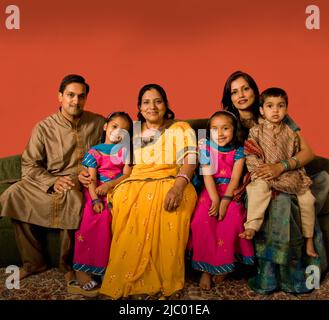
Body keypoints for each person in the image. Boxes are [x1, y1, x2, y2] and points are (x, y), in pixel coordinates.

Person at [222, 70, 329, 294]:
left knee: (291, 199)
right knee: (278, 201)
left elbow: (307, 152)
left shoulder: (274, 111)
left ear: (255, 91)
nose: (240, 95)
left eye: (245, 88)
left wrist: (281, 167)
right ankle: (269, 276)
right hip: (255, 179)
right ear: (229, 98)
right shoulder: (229, 124)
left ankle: (293, 276)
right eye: (234, 91)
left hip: (286, 174)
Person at [92, 83, 198, 300]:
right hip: (135, 182)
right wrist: (96, 178)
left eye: (158, 101)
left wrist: (178, 187)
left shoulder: (181, 128)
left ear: (166, 105)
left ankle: (163, 280)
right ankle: (128, 279)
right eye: (146, 102)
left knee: (170, 203)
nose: (152, 106)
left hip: (173, 180)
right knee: (126, 199)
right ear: (139, 108)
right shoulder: (134, 133)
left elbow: (191, 160)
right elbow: (125, 168)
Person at [0, 74, 105, 281]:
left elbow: (116, 144)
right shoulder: (43, 128)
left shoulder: (98, 123)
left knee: (73, 198)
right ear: (60, 97)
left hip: (81, 181)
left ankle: (67, 266)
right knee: (15, 194)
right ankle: (34, 263)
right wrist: (52, 181)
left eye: (81, 96)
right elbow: (29, 165)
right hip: (49, 181)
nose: (75, 101)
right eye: (70, 95)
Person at [240, 87, 317, 258]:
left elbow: (302, 154)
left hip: (289, 174)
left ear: (286, 109)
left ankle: (309, 239)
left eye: (280, 106)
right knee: (257, 189)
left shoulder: (292, 133)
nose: (275, 110)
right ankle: (251, 226)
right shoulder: (256, 131)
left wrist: (284, 168)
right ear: (261, 110)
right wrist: (260, 170)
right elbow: (250, 153)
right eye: (270, 106)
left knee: (308, 199)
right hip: (265, 173)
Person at [68, 112, 133, 297]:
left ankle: (107, 270)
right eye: (114, 126)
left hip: (117, 190)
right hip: (95, 192)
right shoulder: (94, 151)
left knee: (119, 217)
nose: (117, 133)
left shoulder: (123, 152)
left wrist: (110, 185)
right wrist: (96, 198)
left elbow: (127, 174)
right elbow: (91, 179)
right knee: (96, 217)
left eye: (123, 131)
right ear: (105, 127)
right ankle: (82, 270)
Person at [190, 110, 254, 291]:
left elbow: (235, 179)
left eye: (225, 128)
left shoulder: (239, 151)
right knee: (202, 219)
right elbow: (207, 175)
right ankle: (205, 269)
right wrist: (215, 200)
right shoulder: (205, 148)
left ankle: (224, 264)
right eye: (215, 129)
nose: (220, 133)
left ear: (234, 130)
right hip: (210, 190)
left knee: (233, 218)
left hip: (230, 191)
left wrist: (225, 201)